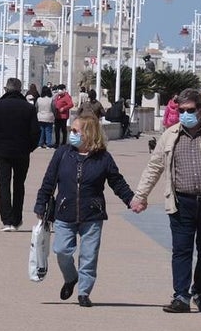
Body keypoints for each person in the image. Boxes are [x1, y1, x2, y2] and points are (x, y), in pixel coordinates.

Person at [131, 88, 201, 313]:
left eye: (190, 110)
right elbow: (155, 167)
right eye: (181, 110)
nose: (185, 114)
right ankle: (181, 296)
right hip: (181, 202)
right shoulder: (170, 135)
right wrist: (140, 196)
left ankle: (200, 291)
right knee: (181, 250)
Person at [34, 113, 136, 307]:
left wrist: (131, 200)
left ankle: (84, 292)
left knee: (89, 256)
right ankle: (71, 277)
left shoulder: (103, 158)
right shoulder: (62, 153)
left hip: (92, 214)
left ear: (88, 134)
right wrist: (41, 203)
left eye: (75, 130)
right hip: (64, 211)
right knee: (62, 250)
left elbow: (117, 182)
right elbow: (49, 181)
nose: (71, 133)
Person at [0, 78, 41, 231]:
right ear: (20, 90)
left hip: (3, 151)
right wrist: (30, 148)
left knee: (4, 185)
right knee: (19, 185)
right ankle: (16, 219)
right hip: (22, 152)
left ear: (6, 89)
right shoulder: (28, 108)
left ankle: (7, 220)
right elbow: (35, 132)